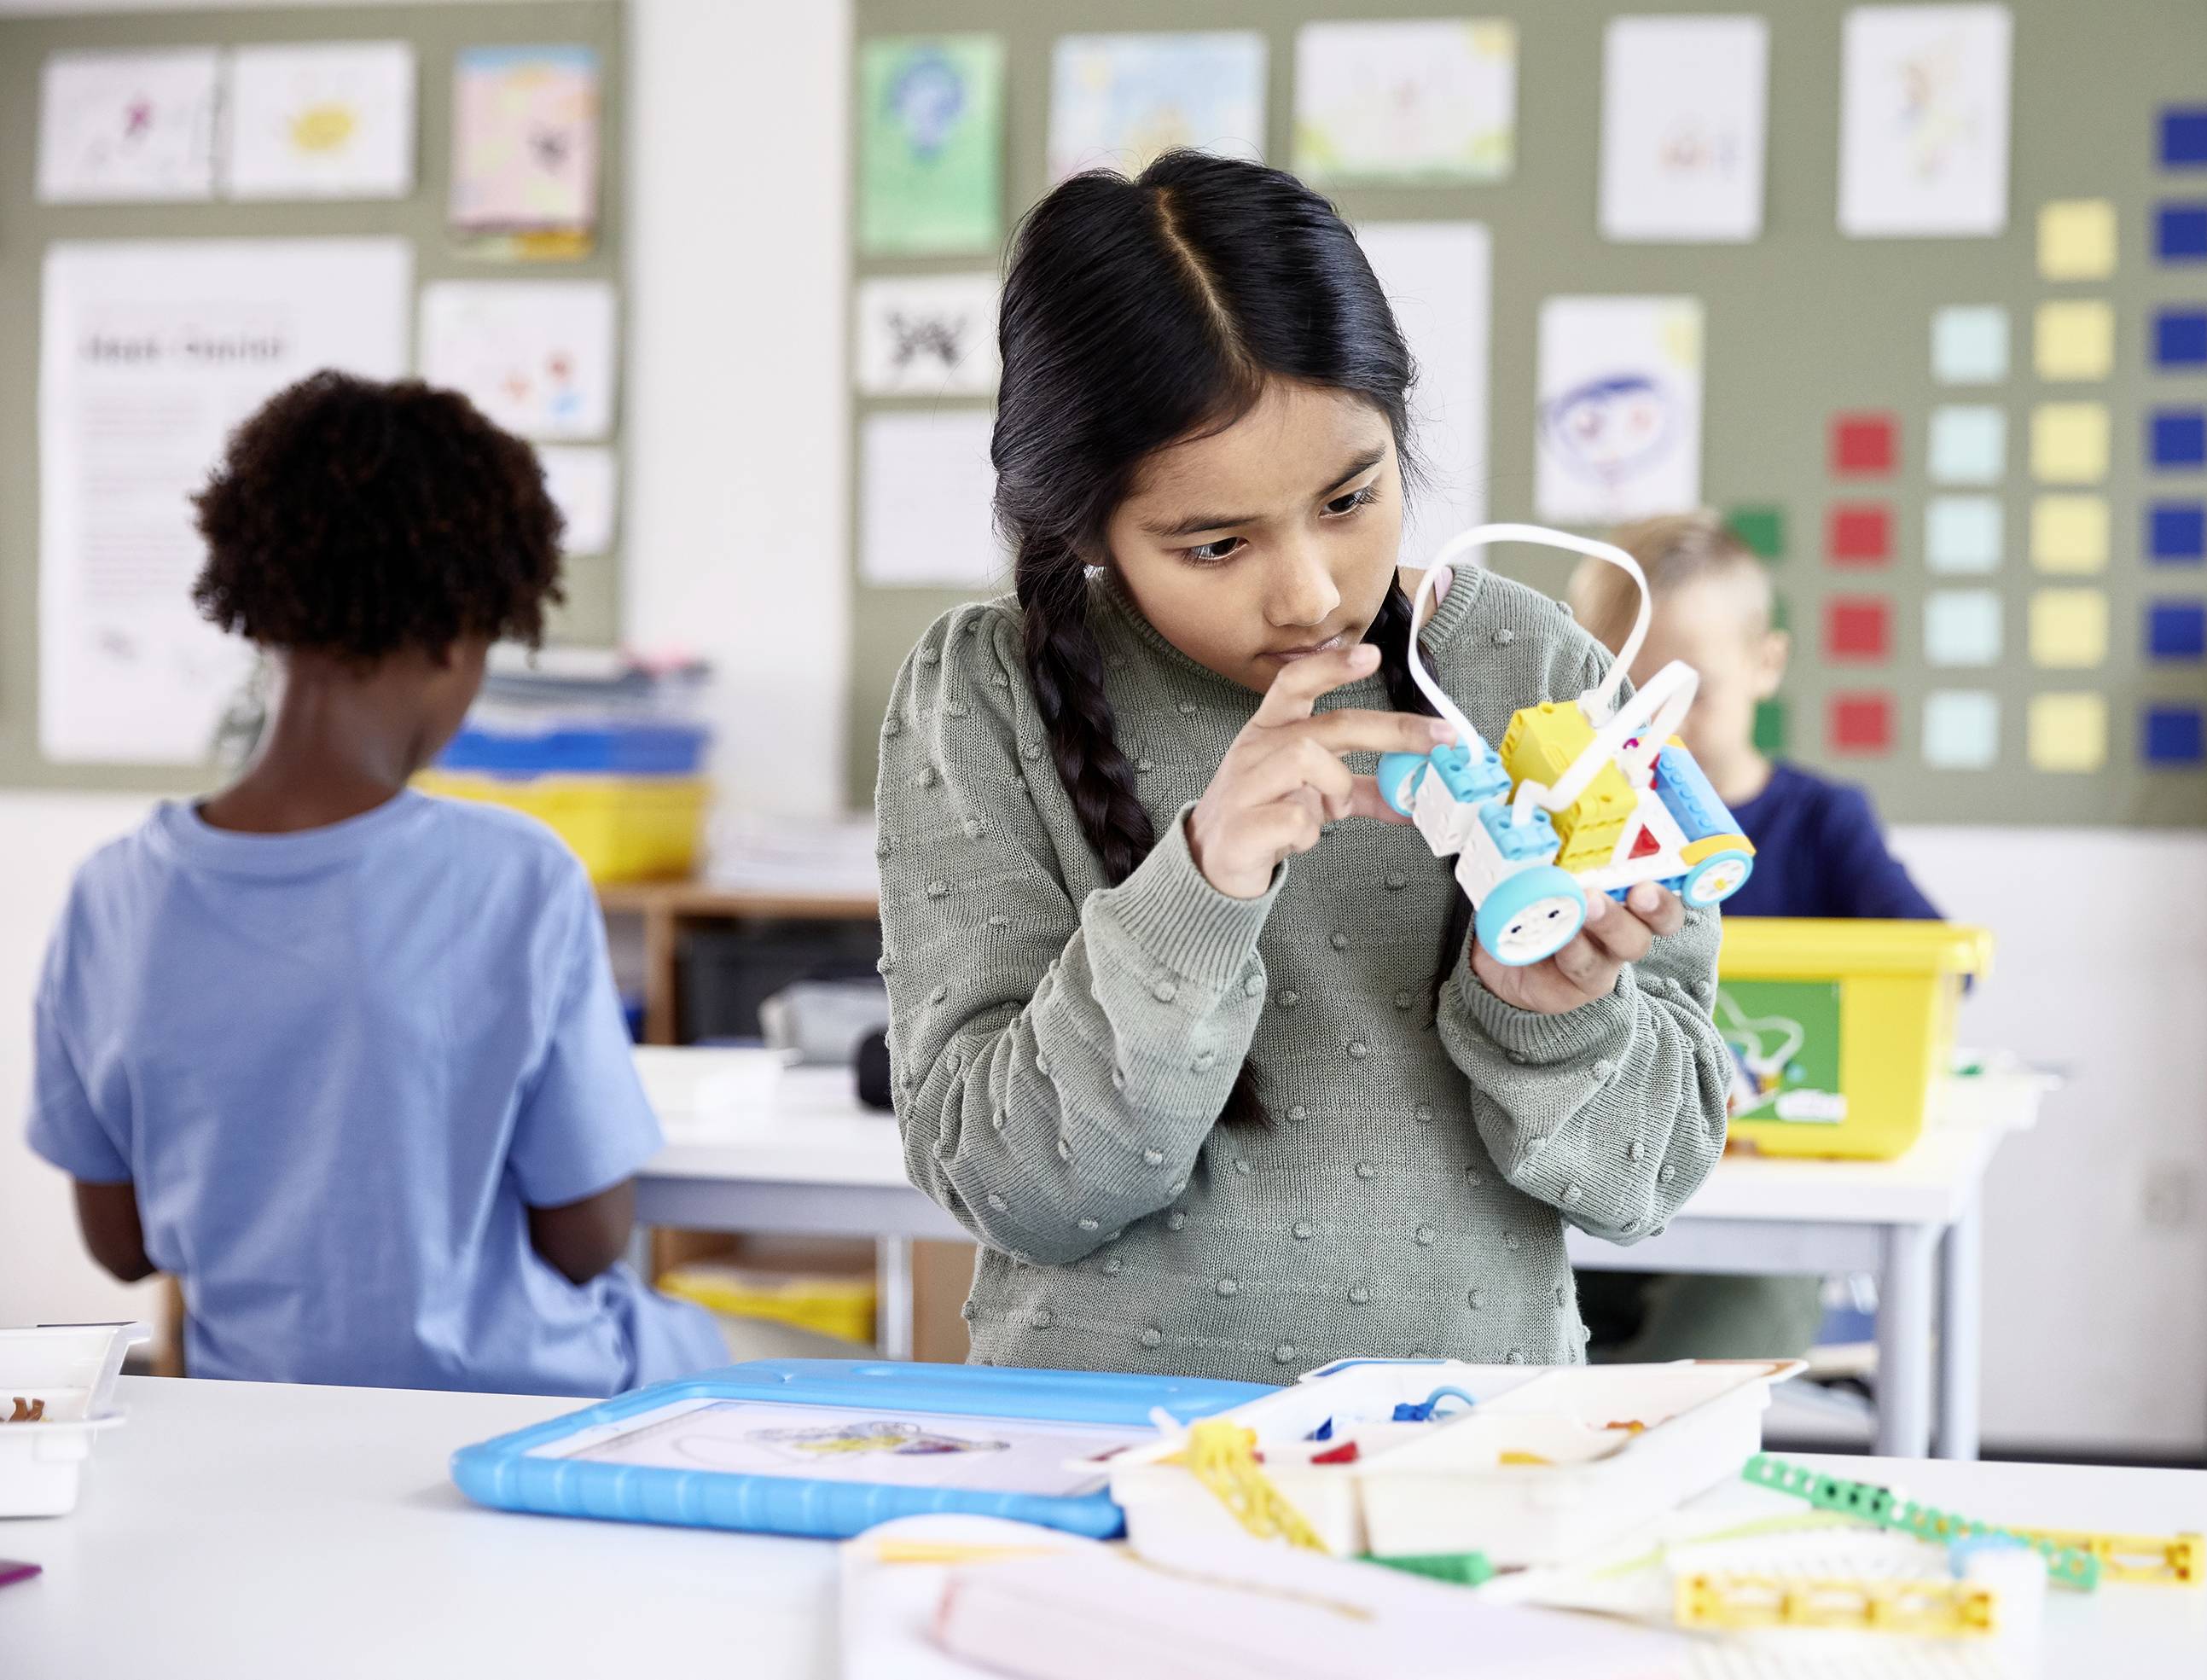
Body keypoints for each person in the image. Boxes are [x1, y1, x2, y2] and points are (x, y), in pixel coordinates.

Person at [874, 153, 1731, 1384]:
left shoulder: (1534, 673)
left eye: (1350, 496)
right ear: (1084, 524)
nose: (1313, 590)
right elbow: (1011, 1186)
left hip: (1471, 1456)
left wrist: (1551, 1018)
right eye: (1214, 543)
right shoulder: (986, 695)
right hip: (1098, 1453)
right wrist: (1201, 886)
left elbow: (1649, 1178)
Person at [25, 372, 724, 1397]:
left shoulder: (111, 895)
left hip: (250, 1421)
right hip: (516, 1412)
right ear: (455, 631)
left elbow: (122, 1243)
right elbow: (585, 1238)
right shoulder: (518, 878)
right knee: (818, 1373)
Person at [1566, 512, 1942, 1361]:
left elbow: (1933, 964)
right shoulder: (1567, 835)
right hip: (1603, 1175)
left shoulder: (1821, 821)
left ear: (1764, 665)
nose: (1655, 721)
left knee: (1720, 1336)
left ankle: (1654, 1461)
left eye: (1689, 687)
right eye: (1621, 688)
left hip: (1769, 1200)